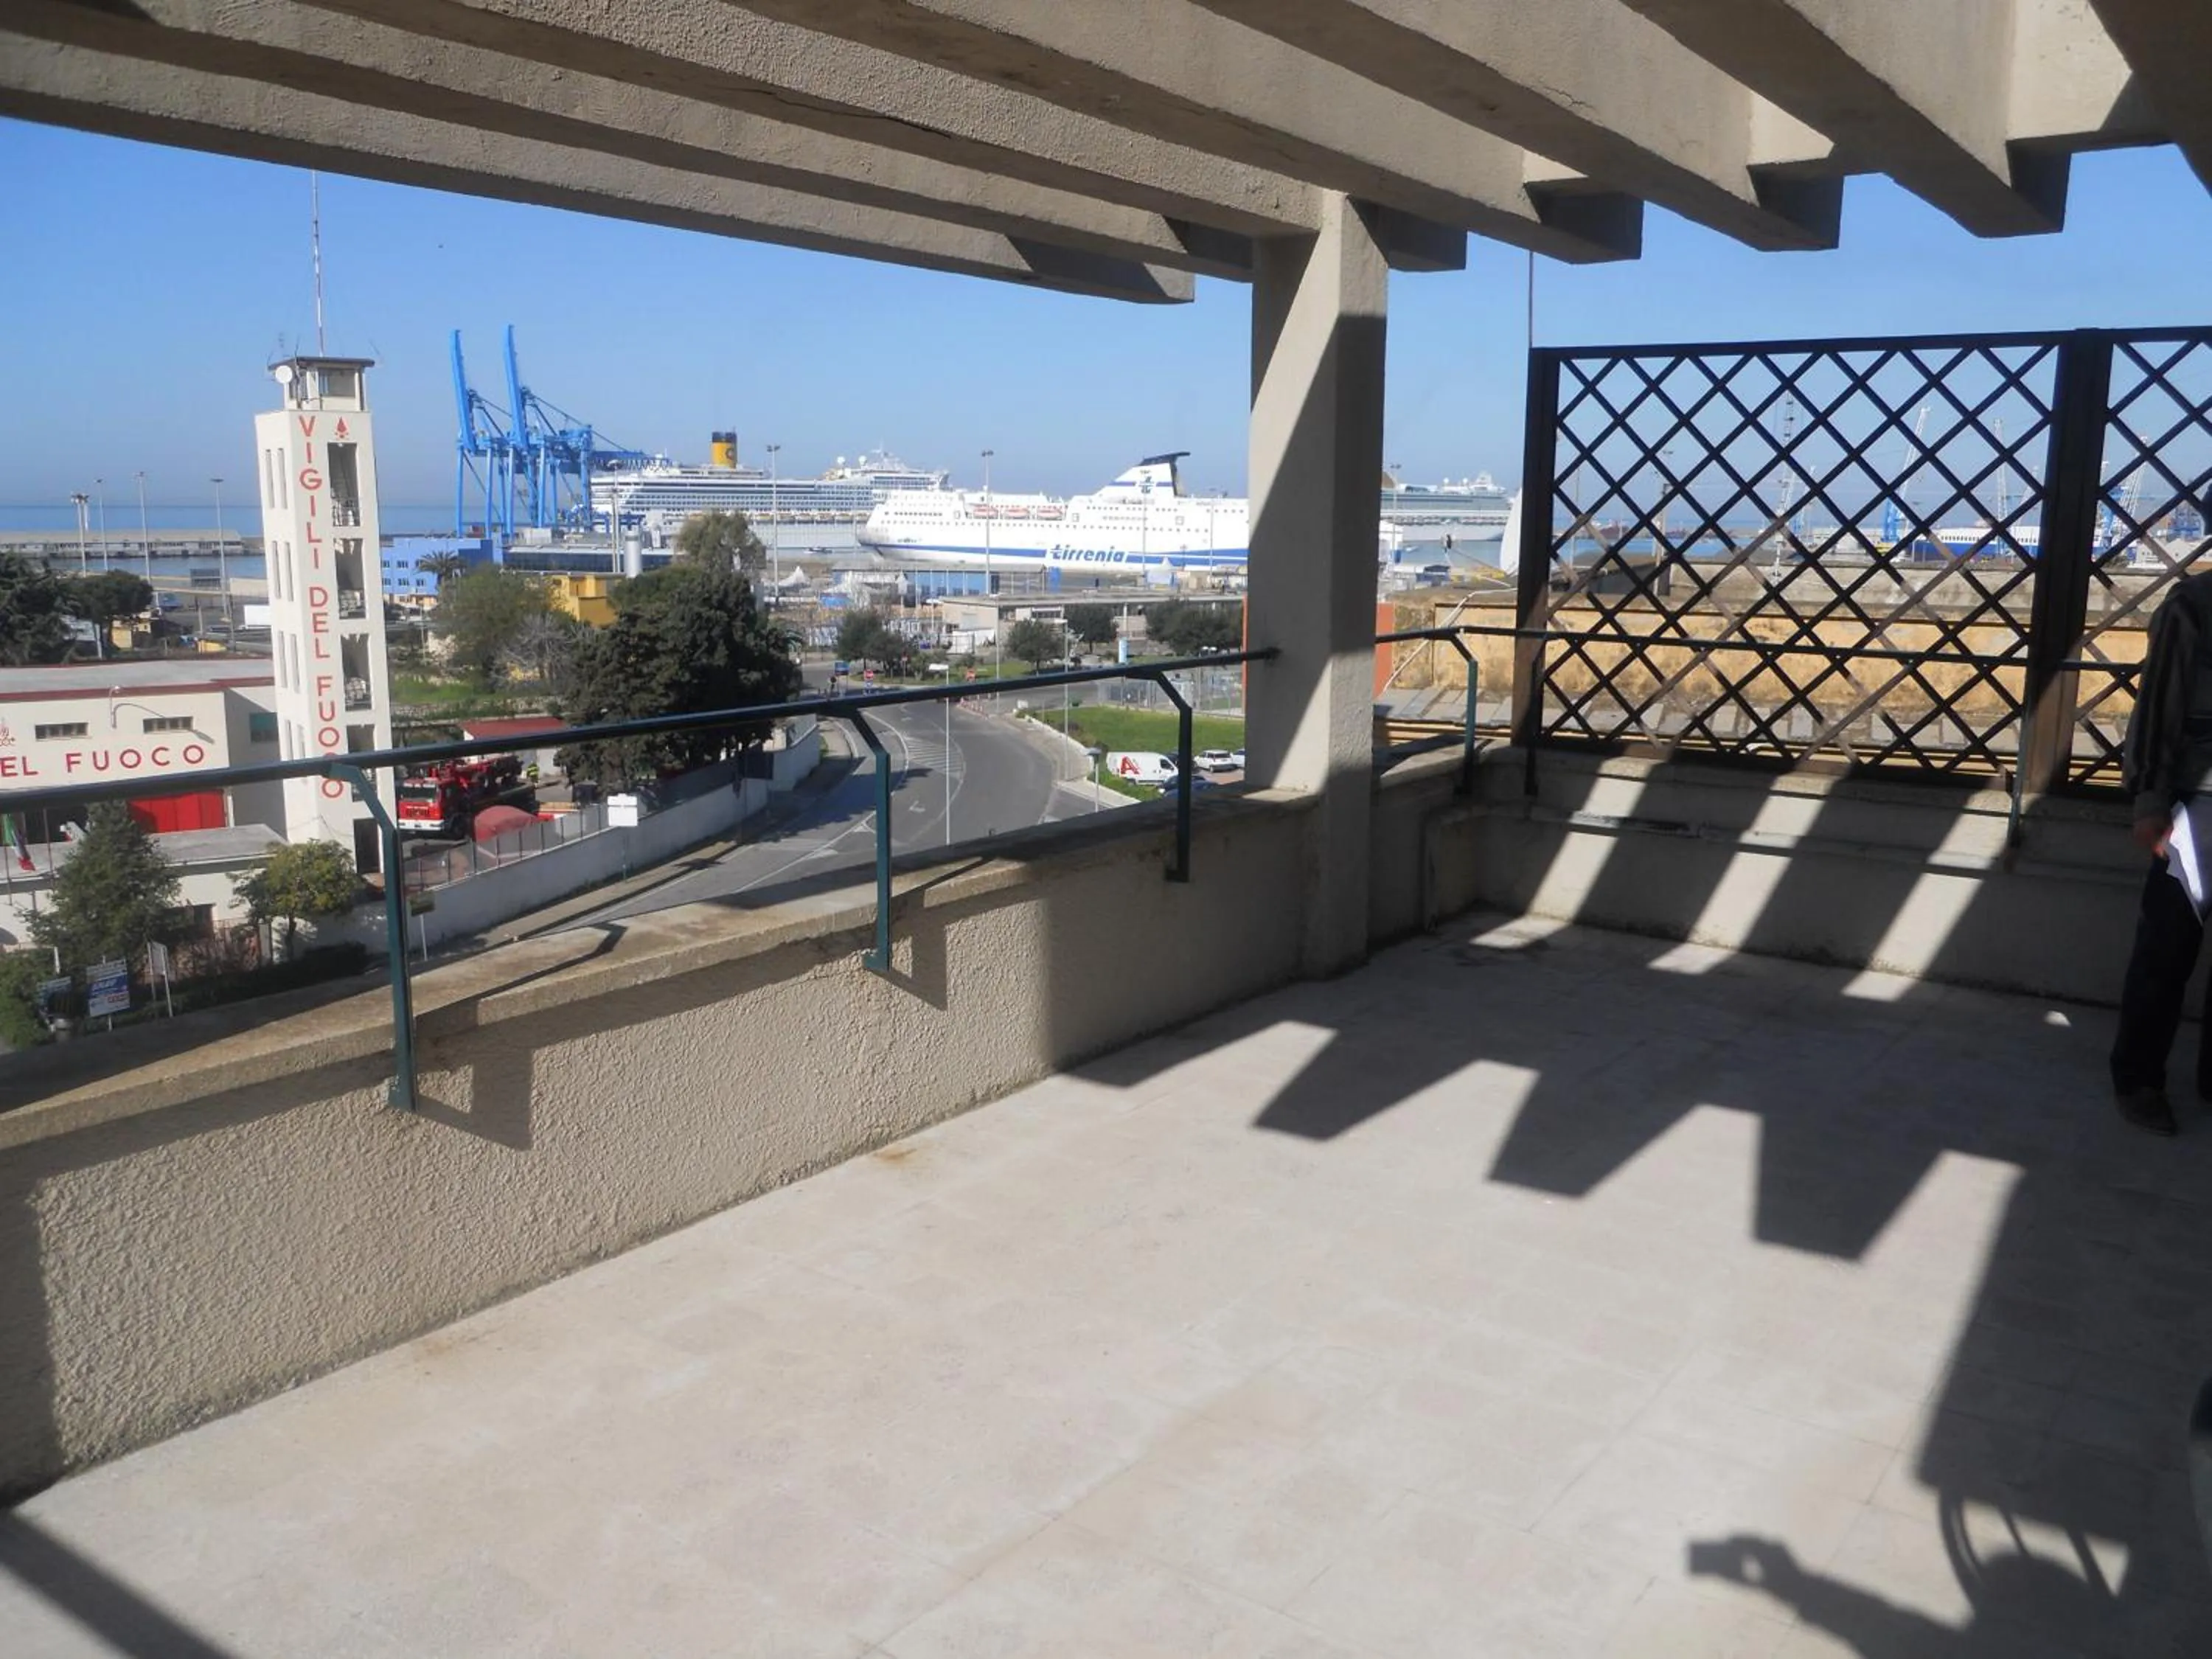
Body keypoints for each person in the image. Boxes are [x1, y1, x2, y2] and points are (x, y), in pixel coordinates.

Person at [2110, 570, 2212, 1135]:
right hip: (2197, 804)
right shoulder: (2193, 605)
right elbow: (2158, 705)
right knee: (2167, 949)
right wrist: (2150, 800)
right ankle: (2138, 1079)